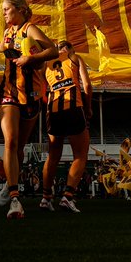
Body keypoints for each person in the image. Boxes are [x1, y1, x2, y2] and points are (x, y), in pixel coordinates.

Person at [0, 0, 59, 219]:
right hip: (9, 92)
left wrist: (30, 59)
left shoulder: (30, 29)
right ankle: (15, 198)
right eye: (3, 10)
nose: (4, 13)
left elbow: (53, 50)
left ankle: (11, 181)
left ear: (20, 10)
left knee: (19, 147)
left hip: (31, 94)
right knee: (10, 141)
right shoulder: (8, 32)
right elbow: (1, 46)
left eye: (7, 9)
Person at [40, 41, 92, 214]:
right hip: (73, 107)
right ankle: (68, 196)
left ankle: (46, 198)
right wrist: (88, 107)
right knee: (81, 155)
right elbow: (87, 85)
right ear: (70, 49)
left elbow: (42, 89)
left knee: (53, 155)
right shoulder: (74, 58)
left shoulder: (46, 63)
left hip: (53, 110)